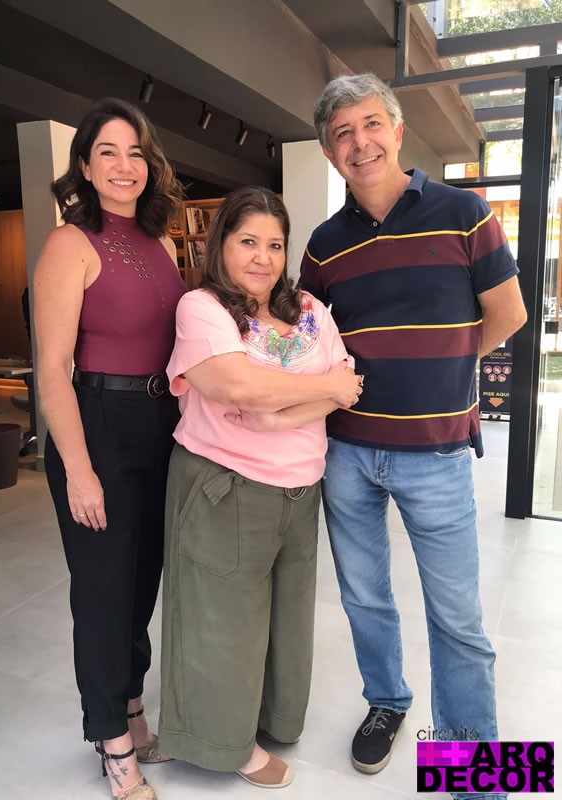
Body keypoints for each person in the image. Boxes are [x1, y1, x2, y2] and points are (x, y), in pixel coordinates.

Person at [300, 73, 527, 799]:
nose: (359, 142)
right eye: (342, 133)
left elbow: (509, 314)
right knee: (364, 599)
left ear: (397, 131)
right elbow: (310, 342)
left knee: (457, 618)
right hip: (346, 452)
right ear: (329, 152)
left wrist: (445, 368)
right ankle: (387, 701)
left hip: (435, 453)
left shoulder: (464, 212)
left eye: (371, 124)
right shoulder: (323, 246)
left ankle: (473, 775)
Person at [157, 186, 362, 788]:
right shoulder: (201, 309)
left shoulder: (309, 308)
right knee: (224, 622)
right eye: (248, 241)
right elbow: (238, 387)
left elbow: (348, 383)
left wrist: (277, 417)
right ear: (220, 243)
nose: (263, 258)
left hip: (301, 489)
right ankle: (227, 745)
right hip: (226, 486)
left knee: (287, 620)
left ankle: (274, 719)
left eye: (275, 244)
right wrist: (317, 391)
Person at [33, 98, 186, 800]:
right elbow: (52, 368)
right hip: (97, 423)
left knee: (142, 581)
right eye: (108, 152)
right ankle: (110, 736)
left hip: (160, 423)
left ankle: (130, 703)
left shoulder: (161, 241)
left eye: (136, 153)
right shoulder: (70, 243)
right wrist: (78, 470)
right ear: (86, 167)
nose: (125, 166)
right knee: (103, 591)